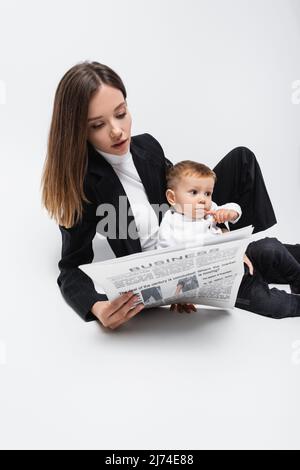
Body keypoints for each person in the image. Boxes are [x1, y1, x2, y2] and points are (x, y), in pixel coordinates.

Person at [40, 60, 298, 329]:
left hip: (189, 229)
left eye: (121, 113)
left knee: (242, 160)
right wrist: (97, 306)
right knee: (271, 263)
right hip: (169, 261)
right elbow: (71, 267)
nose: (117, 130)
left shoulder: (147, 146)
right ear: (78, 130)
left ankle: (242, 255)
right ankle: (245, 271)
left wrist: (225, 238)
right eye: (97, 125)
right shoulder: (82, 185)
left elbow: (183, 192)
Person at [155, 160, 300, 316]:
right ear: (172, 198)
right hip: (225, 280)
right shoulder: (171, 223)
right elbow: (166, 262)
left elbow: (234, 207)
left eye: (208, 193)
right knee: (270, 303)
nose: (203, 199)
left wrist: (230, 213)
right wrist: (180, 294)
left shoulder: (210, 210)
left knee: (271, 247)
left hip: (242, 256)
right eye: (194, 192)